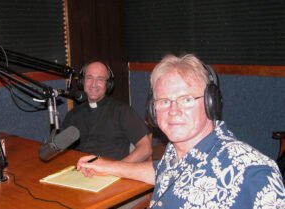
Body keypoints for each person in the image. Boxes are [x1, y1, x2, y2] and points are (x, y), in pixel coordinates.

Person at [77, 54, 285, 208]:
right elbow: (160, 171)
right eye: (164, 101)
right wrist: (108, 167)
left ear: (211, 102)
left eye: (186, 99)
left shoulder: (254, 172)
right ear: (153, 109)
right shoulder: (176, 152)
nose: (173, 111)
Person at [61, 61, 152, 162]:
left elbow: (145, 149)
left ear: (108, 84)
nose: (93, 84)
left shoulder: (122, 111)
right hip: (80, 170)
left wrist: (116, 168)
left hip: (111, 172)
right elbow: (59, 148)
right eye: (89, 78)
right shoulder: (73, 114)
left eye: (100, 79)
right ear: (82, 82)